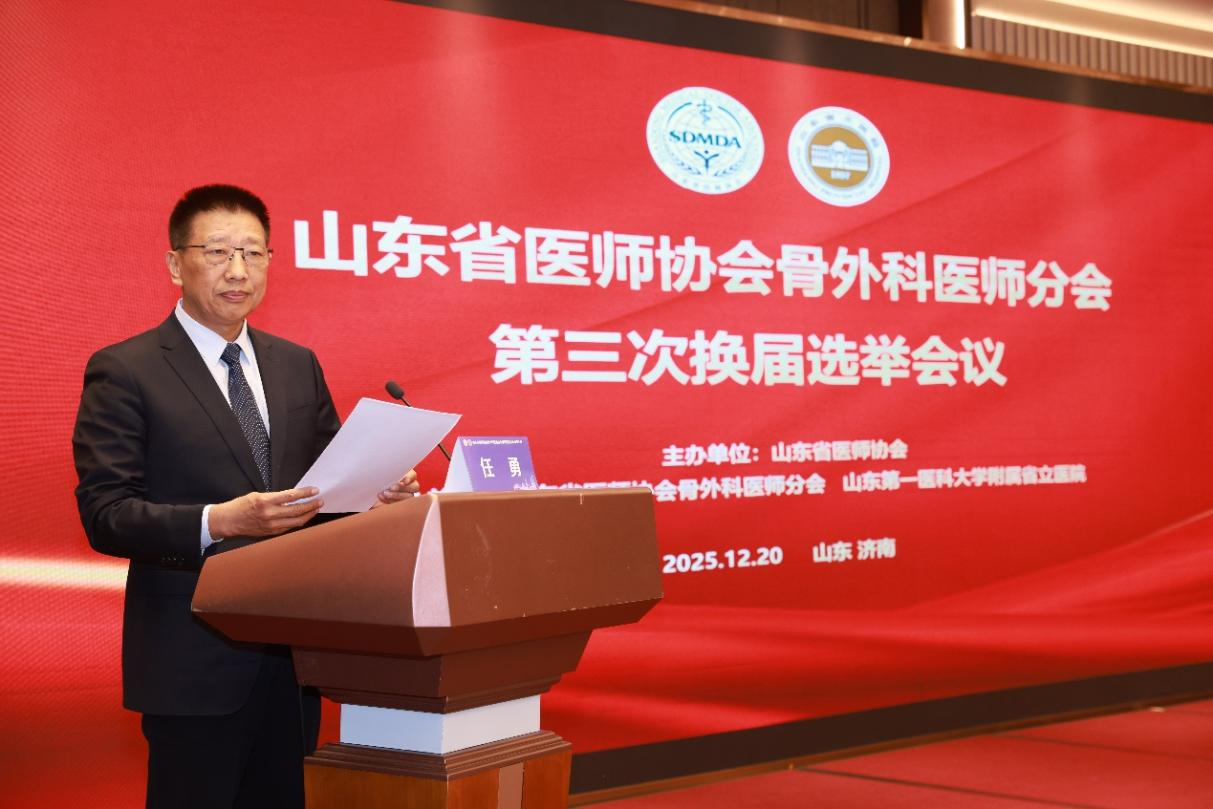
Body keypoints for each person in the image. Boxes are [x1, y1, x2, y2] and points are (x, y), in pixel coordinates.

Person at [72, 184, 418, 809]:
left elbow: (329, 489)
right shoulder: (126, 370)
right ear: (175, 263)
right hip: (192, 657)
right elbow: (107, 514)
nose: (238, 270)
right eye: (218, 251)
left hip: (294, 654)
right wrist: (219, 522)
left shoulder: (295, 364)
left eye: (254, 253)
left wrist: (378, 494)